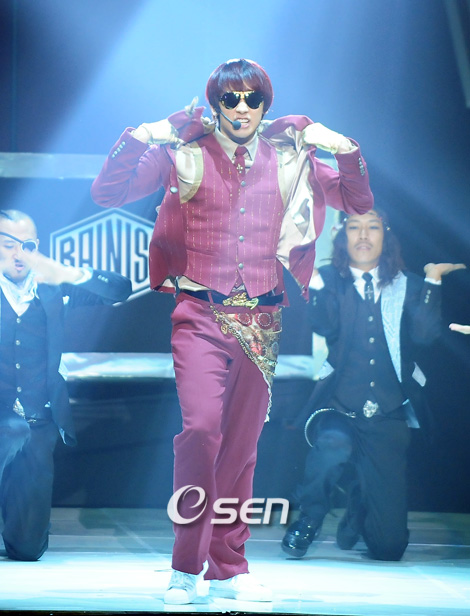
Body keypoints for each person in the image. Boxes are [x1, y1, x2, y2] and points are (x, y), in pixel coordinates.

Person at [91, 57, 374, 604]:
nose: (242, 108)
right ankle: (185, 567)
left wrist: (345, 148)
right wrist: (141, 136)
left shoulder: (292, 159)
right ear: (215, 103)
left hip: (263, 321)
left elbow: (358, 202)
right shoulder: (183, 153)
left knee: (242, 449)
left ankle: (229, 567)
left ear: (266, 104)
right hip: (199, 315)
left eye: (252, 98)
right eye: (230, 98)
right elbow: (108, 194)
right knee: (201, 432)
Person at [281, 209, 465, 561]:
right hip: (339, 405)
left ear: (385, 235)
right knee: (332, 445)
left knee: (389, 548)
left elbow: (425, 336)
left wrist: (432, 280)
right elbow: (325, 325)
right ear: (342, 235)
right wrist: (314, 281)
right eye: (355, 227)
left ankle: (358, 504)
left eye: (373, 227)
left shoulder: (408, 284)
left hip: (388, 412)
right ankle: (310, 518)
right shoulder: (329, 280)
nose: (364, 235)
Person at [0, 209, 132, 561]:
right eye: (8, 244)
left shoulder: (52, 288)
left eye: (27, 245)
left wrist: (71, 273)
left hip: (37, 420)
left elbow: (120, 289)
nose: (19, 254)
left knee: (28, 549)